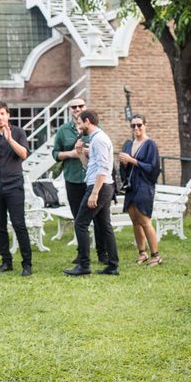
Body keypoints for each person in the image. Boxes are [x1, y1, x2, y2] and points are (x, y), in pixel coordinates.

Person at [63, 110, 119, 276]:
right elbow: (91, 168)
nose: (78, 126)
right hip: (101, 185)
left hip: (100, 187)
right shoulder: (95, 139)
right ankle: (113, 266)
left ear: (88, 121)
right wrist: (80, 154)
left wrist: (94, 193)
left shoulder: (99, 140)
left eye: (80, 123)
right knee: (104, 226)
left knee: (80, 223)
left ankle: (84, 265)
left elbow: (103, 169)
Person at [52, 98, 108, 264]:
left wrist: (85, 151)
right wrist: (71, 154)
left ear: (85, 108)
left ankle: (102, 253)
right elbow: (55, 153)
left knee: (99, 219)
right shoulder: (63, 130)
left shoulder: (95, 129)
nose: (77, 109)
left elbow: (102, 152)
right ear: (69, 110)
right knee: (79, 219)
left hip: (93, 181)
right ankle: (82, 254)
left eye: (80, 106)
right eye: (73, 107)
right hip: (73, 179)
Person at [0, 101, 33, 276]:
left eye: (2, 113)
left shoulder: (18, 132)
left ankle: (27, 264)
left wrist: (10, 139)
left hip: (14, 185)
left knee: (19, 224)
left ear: (8, 115)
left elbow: (24, 154)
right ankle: (6, 260)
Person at [118, 114, 162, 266]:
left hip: (144, 186)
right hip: (130, 187)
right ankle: (142, 253)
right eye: (133, 125)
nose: (136, 128)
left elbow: (153, 168)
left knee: (144, 221)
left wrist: (133, 161)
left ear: (145, 125)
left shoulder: (150, 144)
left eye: (139, 125)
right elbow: (124, 170)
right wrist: (124, 163)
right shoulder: (128, 145)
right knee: (135, 221)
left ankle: (156, 256)